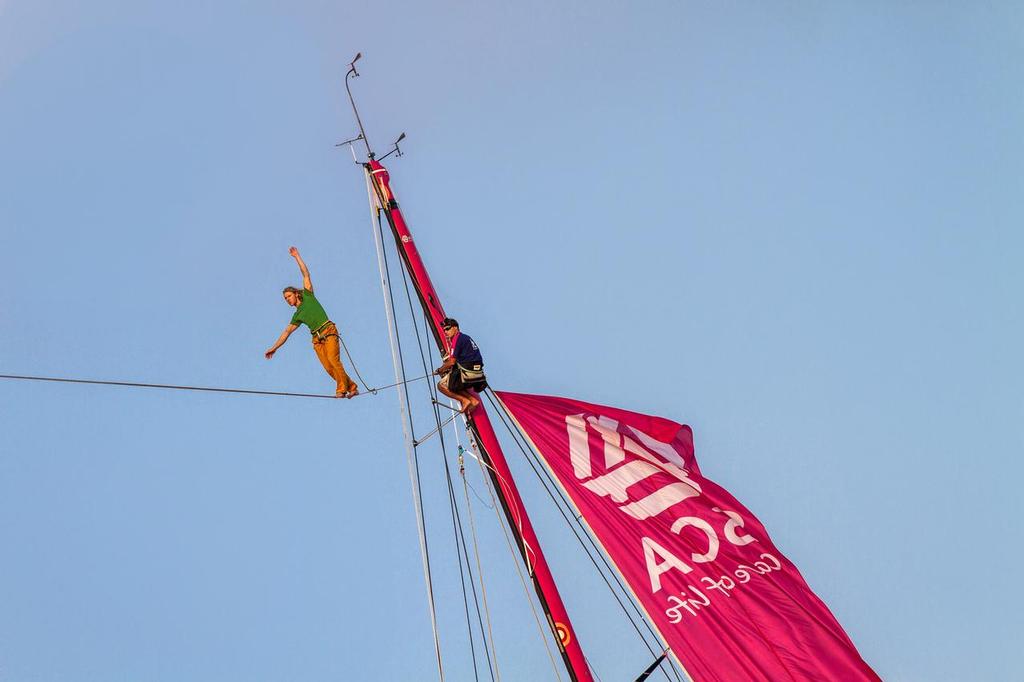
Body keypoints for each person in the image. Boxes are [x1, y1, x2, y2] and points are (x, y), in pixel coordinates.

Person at [265, 247, 359, 399]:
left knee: (334, 361)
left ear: (296, 294)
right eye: (285, 299)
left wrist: (297, 257)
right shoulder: (297, 315)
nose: (287, 300)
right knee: (329, 368)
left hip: (328, 331)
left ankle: (341, 389)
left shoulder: (308, 295)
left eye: (289, 296)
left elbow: (305, 274)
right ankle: (352, 386)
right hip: (317, 339)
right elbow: (286, 333)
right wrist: (274, 348)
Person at [435, 318, 485, 413]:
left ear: (455, 328)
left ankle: (464, 400)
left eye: (448, 328)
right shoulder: (466, 337)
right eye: (444, 330)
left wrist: (439, 370)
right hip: (478, 375)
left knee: (441, 385)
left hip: (468, 374)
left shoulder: (457, 339)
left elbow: (452, 362)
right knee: (454, 384)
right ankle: (473, 400)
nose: (445, 331)